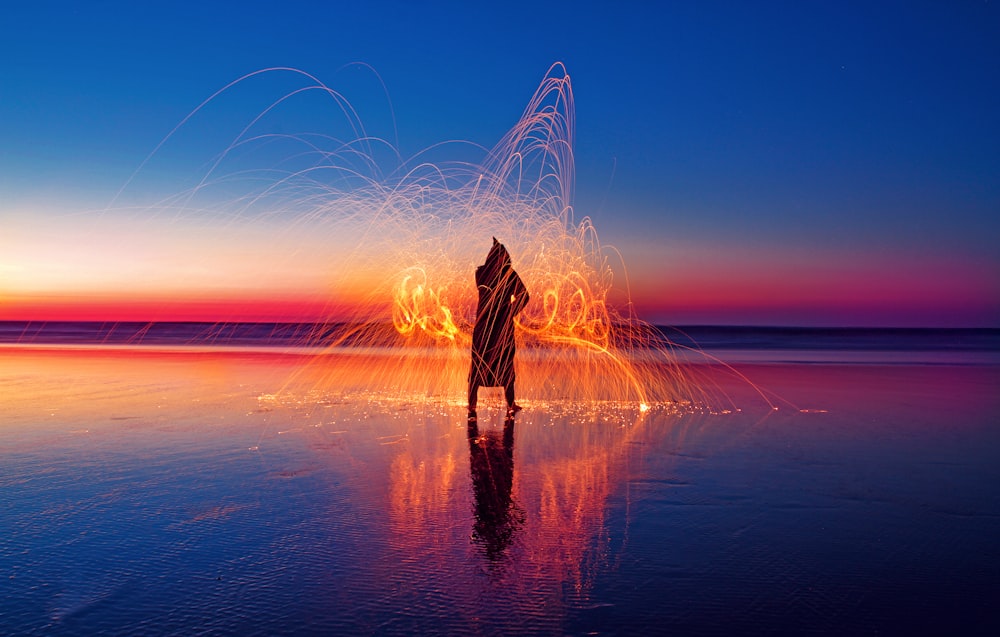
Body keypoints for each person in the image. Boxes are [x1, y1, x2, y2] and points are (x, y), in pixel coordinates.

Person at [468, 237, 529, 415]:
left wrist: (509, 313)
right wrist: (510, 312)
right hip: (498, 327)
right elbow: (524, 296)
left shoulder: (481, 272)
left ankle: (473, 404)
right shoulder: (506, 275)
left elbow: (524, 295)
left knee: (483, 364)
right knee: (499, 365)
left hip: (486, 326)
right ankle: (510, 404)